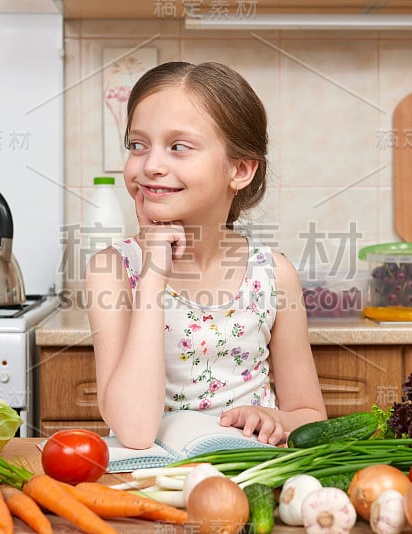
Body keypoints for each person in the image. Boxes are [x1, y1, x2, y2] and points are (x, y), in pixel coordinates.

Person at [85, 61, 326, 450]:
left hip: (251, 477)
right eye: (137, 145)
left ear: (241, 169)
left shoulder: (272, 274)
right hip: (154, 486)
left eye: (179, 147)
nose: (151, 165)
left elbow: (309, 416)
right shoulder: (112, 270)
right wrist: (153, 275)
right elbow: (133, 430)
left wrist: (275, 419)